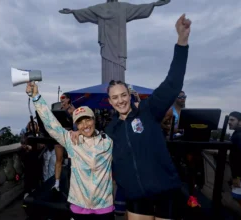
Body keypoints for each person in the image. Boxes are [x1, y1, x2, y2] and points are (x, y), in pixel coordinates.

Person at [72, 14, 191, 220]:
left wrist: (182, 41)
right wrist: (78, 133)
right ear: (109, 102)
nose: (120, 101)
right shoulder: (110, 131)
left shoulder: (149, 110)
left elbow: (173, 83)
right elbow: (92, 148)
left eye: (123, 95)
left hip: (165, 190)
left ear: (129, 95)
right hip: (136, 196)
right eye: (115, 98)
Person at [26, 82, 115, 220]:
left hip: (104, 207)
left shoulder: (107, 142)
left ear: (94, 119)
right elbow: (51, 124)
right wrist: (36, 97)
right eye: (80, 122)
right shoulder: (72, 141)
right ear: (76, 125)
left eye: (87, 120)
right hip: (79, 206)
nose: (85, 125)